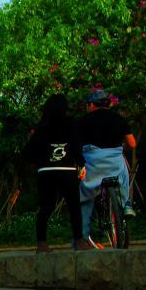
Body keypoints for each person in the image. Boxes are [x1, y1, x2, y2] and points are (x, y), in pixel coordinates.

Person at [24, 94, 86, 252]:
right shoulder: (71, 123)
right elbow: (77, 145)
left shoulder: (42, 126)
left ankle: (42, 243)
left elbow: (28, 152)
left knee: (46, 207)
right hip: (67, 169)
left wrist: (39, 162)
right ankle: (79, 240)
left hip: (46, 171)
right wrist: (81, 164)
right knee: (73, 206)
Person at [79, 89, 138, 242]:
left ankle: (83, 237)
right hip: (114, 161)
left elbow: (75, 144)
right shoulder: (118, 119)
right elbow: (132, 143)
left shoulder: (83, 121)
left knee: (85, 197)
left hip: (92, 162)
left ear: (92, 105)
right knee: (123, 176)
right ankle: (126, 204)